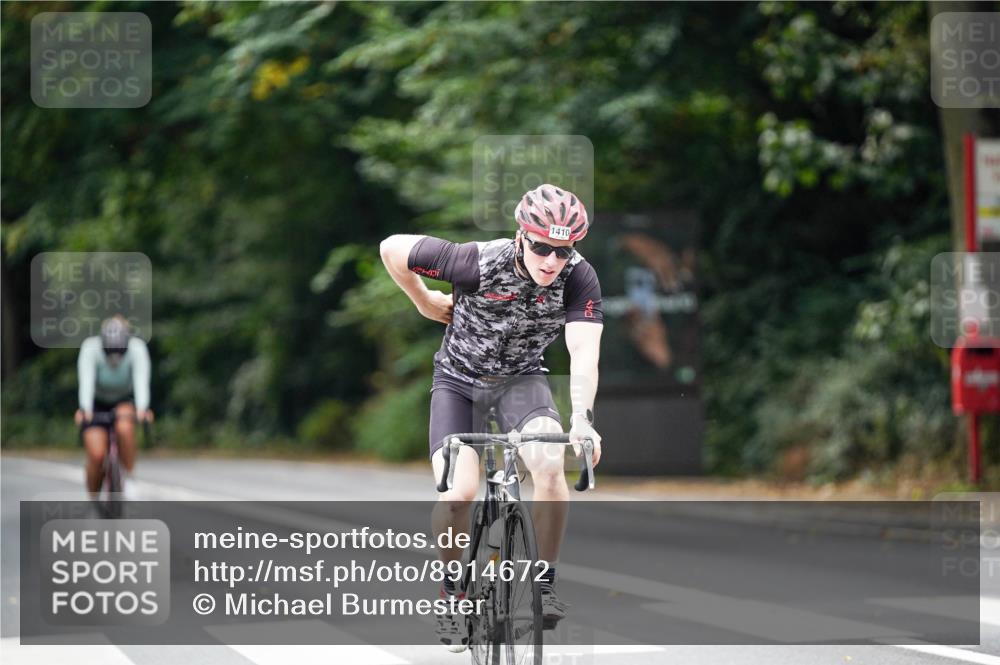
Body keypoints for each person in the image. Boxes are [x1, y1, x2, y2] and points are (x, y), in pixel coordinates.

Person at [380, 184, 603, 651]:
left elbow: (583, 350)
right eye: (541, 247)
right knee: (458, 495)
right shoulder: (475, 261)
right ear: (521, 236)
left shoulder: (579, 278)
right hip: (458, 383)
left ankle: (543, 582)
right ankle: (453, 593)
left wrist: (582, 419)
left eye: (563, 251)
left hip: (521, 383)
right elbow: (391, 247)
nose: (551, 261)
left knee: (550, 465)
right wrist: (422, 299)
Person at [75, 315, 153, 500]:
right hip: (96, 403)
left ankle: (129, 476)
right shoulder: (90, 347)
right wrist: (85, 408)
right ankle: (93, 499)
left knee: (124, 428)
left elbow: (141, 380)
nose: (115, 359)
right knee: (96, 455)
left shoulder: (137, 348)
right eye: (110, 353)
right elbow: (86, 381)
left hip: (122, 400)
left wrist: (142, 408)